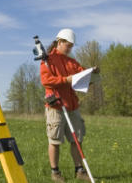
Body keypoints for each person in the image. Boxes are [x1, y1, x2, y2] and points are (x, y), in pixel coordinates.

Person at [40, 28, 97, 182]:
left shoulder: (72, 62)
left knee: (77, 139)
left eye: (72, 46)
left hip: (72, 105)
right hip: (56, 106)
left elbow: (81, 73)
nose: (70, 48)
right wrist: (66, 80)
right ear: (60, 42)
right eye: (68, 45)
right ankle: (55, 173)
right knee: (55, 140)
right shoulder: (48, 59)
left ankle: (80, 171)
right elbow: (46, 81)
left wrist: (91, 74)